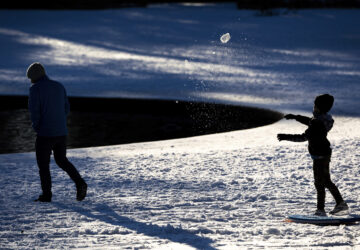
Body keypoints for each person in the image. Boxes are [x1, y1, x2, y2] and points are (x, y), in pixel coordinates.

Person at [277, 94, 348, 216]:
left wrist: (285, 137)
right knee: (325, 181)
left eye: (315, 105)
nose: (313, 107)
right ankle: (340, 204)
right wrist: (296, 117)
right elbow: (311, 121)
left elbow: (303, 137)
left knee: (319, 182)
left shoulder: (316, 123)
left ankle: (321, 210)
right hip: (324, 154)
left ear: (318, 108)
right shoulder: (323, 120)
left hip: (319, 156)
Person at [27, 62, 87, 202]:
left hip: (45, 134)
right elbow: (66, 108)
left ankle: (46, 195)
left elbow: (35, 112)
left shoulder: (35, 89)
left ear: (33, 77)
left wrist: (37, 127)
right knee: (62, 160)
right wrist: (58, 122)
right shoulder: (59, 86)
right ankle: (80, 183)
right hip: (61, 133)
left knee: (43, 165)